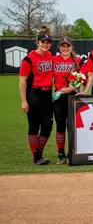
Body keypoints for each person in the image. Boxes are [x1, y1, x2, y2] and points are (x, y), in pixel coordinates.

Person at [19, 26, 54, 165]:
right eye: (43, 42)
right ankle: (36, 157)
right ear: (37, 42)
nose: (45, 45)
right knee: (34, 125)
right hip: (34, 93)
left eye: (48, 42)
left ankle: (39, 154)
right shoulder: (29, 59)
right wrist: (23, 101)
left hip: (47, 94)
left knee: (47, 126)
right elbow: (22, 80)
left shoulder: (50, 56)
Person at [52, 37, 83, 164]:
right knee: (60, 126)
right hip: (59, 97)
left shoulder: (78, 61)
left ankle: (71, 152)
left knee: (72, 126)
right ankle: (61, 153)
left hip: (72, 97)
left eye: (67, 46)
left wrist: (71, 88)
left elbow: (83, 78)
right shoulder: (54, 60)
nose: (65, 48)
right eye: (62, 46)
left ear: (72, 47)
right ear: (59, 47)